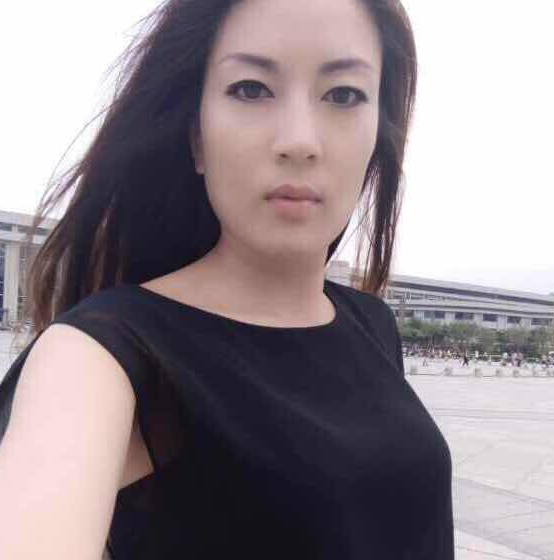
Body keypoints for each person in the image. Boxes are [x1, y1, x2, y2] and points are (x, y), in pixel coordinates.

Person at [0, 1, 454, 559]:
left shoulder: (372, 324)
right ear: (197, 137)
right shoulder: (102, 358)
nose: (299, 140)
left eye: (343, 95)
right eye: (251, 89)